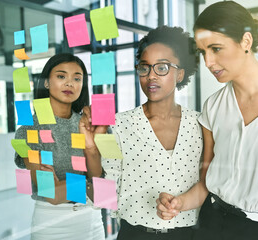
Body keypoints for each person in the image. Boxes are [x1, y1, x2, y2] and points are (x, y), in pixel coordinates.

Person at [156, 2, 258, 240]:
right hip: (211, 224)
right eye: (202, 51)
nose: (208, 62)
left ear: (246, 42)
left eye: (216, 49)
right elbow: (207, 180)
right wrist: (180, 202)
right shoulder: (214, 106)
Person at [82, 26, 203, 240]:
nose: (151, 76)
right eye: (144, 68)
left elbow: (211, 183)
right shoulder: (119, 125)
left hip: (190, 235)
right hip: (135, 235)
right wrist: (92, 149)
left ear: (180, 74)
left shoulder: (200, 124)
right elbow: (103, 198)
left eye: (162, 68)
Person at [14, 53, 105, 240]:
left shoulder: (90, 125)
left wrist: (91, 148)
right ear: (46, 82)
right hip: (53, 224)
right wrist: (90, 185)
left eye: (77, 78)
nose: (69, 83)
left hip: (92, 220)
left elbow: (101, 187)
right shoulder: (30, 130)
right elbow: (52, 193)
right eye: (61, 76)